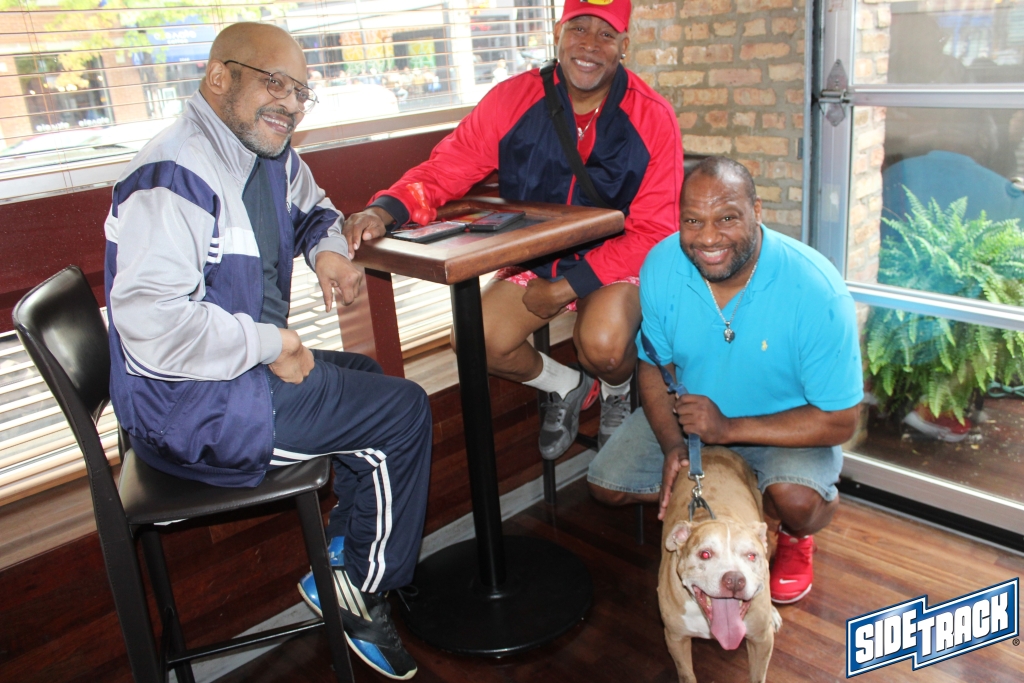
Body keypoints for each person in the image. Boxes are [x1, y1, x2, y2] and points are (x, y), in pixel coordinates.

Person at [103, 23, 429, 680]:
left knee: (367, 375)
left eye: (302, 91)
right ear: (218, 76)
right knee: (404, 412)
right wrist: (271, 342)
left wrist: (328, 251)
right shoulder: (174, 175)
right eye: (275, 83)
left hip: (232, 382)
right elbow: (153, 327)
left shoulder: (266, 149)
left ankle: (344, 560)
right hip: (193, 409)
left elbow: (315, 210)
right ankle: (362, 593)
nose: (291, 103)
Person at [342, 0, 682, 461]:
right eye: (579, 29)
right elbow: (447, 167)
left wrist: (566, 289)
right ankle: (567, 385)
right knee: (475, 341)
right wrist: (387, 209)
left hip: (616, 261)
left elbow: (654, 230)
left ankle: (615, 391)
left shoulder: (653, 115)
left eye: (606, 35)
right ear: (557, 33)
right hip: (538, 258)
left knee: (602, 346)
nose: (589, 45)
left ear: (624, 46)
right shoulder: (513, 99)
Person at [587, 157, 863, 604]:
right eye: (693, 220)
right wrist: (673, 444)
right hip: (695, 422)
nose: (708, 238)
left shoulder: (817, 290)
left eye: (727, 218)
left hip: (785, 429)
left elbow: (841, 421)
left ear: (757, 211)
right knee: (605, 483)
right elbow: (655, 366)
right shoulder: (661, 266)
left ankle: (792, 533)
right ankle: (725, 512)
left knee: (796, 501)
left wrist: (728, 429)